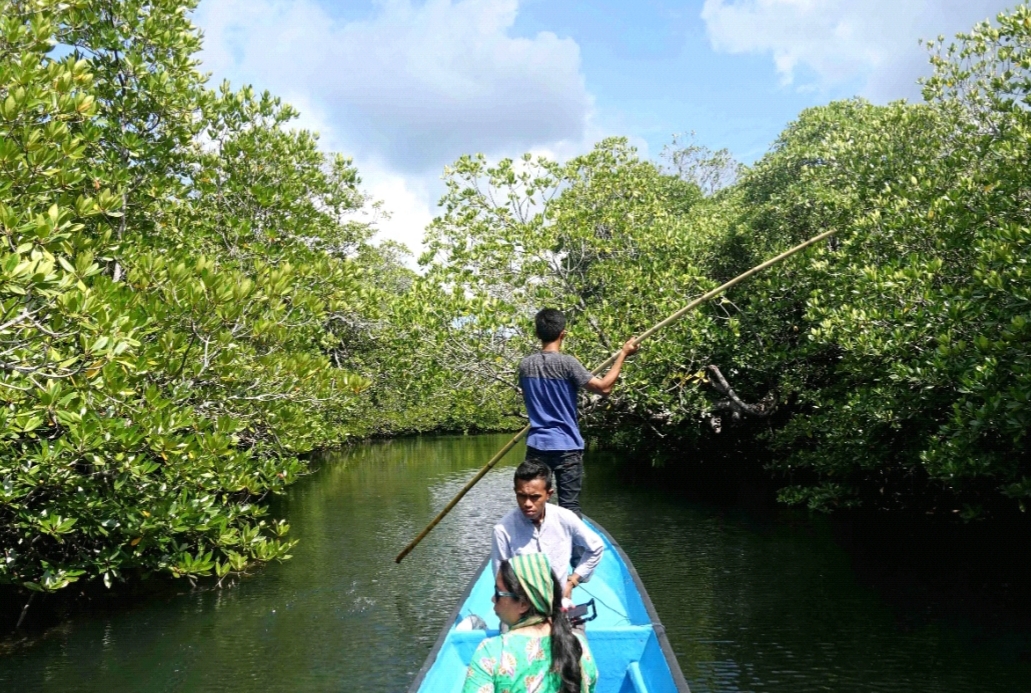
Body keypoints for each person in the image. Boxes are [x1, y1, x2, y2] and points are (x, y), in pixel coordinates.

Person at [519, 308, 639, 517]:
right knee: (570, 508)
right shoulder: (568, 364)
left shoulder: (525, 365)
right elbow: (604, 388)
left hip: (537, 446)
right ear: (562, 334)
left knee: (534, 507)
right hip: (567, 447)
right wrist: (623, 355)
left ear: (537, 334)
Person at [462, 554, 598, 693]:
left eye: (498, 593)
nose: (492, 599)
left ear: (523, 604)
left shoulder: (491, 652)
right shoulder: (579, 646)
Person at [491, 460, 604, 601]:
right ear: (515, 492)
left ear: (548, 494)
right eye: (521, 496)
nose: (527, 503)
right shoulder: (502, 530)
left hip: (559, 602)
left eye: (535, 497)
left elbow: (596, 547)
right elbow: (501, 578)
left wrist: (573, 580)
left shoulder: (565, 518)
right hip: (522, 606)